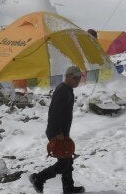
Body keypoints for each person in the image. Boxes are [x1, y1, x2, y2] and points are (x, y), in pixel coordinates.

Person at [29, 66, 85, 194]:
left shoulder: (68, 89)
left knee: (67, 160)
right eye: (75, 77)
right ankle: (38, 178)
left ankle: (68, 188)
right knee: (64, 163)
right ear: (68, 76)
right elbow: (54, 112)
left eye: (79, 78)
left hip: (62, 132)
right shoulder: (62, 90)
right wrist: (59, 132)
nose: (77, 80)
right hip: (57, 132)